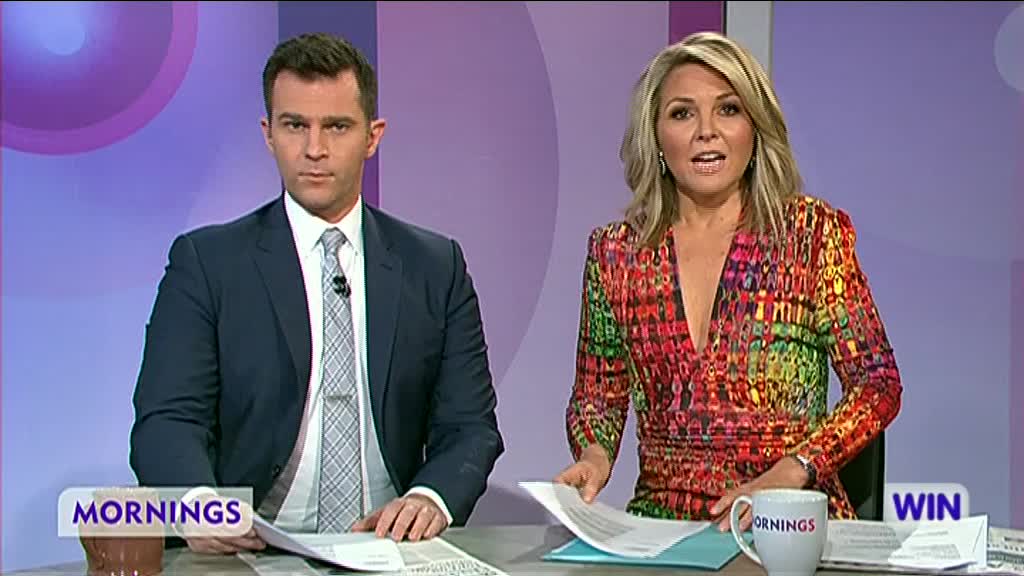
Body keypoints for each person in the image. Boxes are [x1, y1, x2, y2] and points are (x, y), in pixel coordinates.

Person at [130, 32, 504, 554]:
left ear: (372, 136)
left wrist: (430, 499)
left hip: (389, 550)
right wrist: (199, 505)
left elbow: (469, 426)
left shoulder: (435, 267)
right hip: (248, 548)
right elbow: (167, 418)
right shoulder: (207, 263)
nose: (314, 149)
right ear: (268, 134)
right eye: (294, 126)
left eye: (336, 126)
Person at [554, 31, 902, 531]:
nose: (706, 132)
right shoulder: (616, 253)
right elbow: (597, 396)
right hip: (664, 528)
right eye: (682, 113)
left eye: (728, 109)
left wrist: (794, 470)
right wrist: (594, 455)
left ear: (755, 128)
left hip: (786, 521)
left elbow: (877, 384)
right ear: (655, 138)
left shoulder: (809, 235)